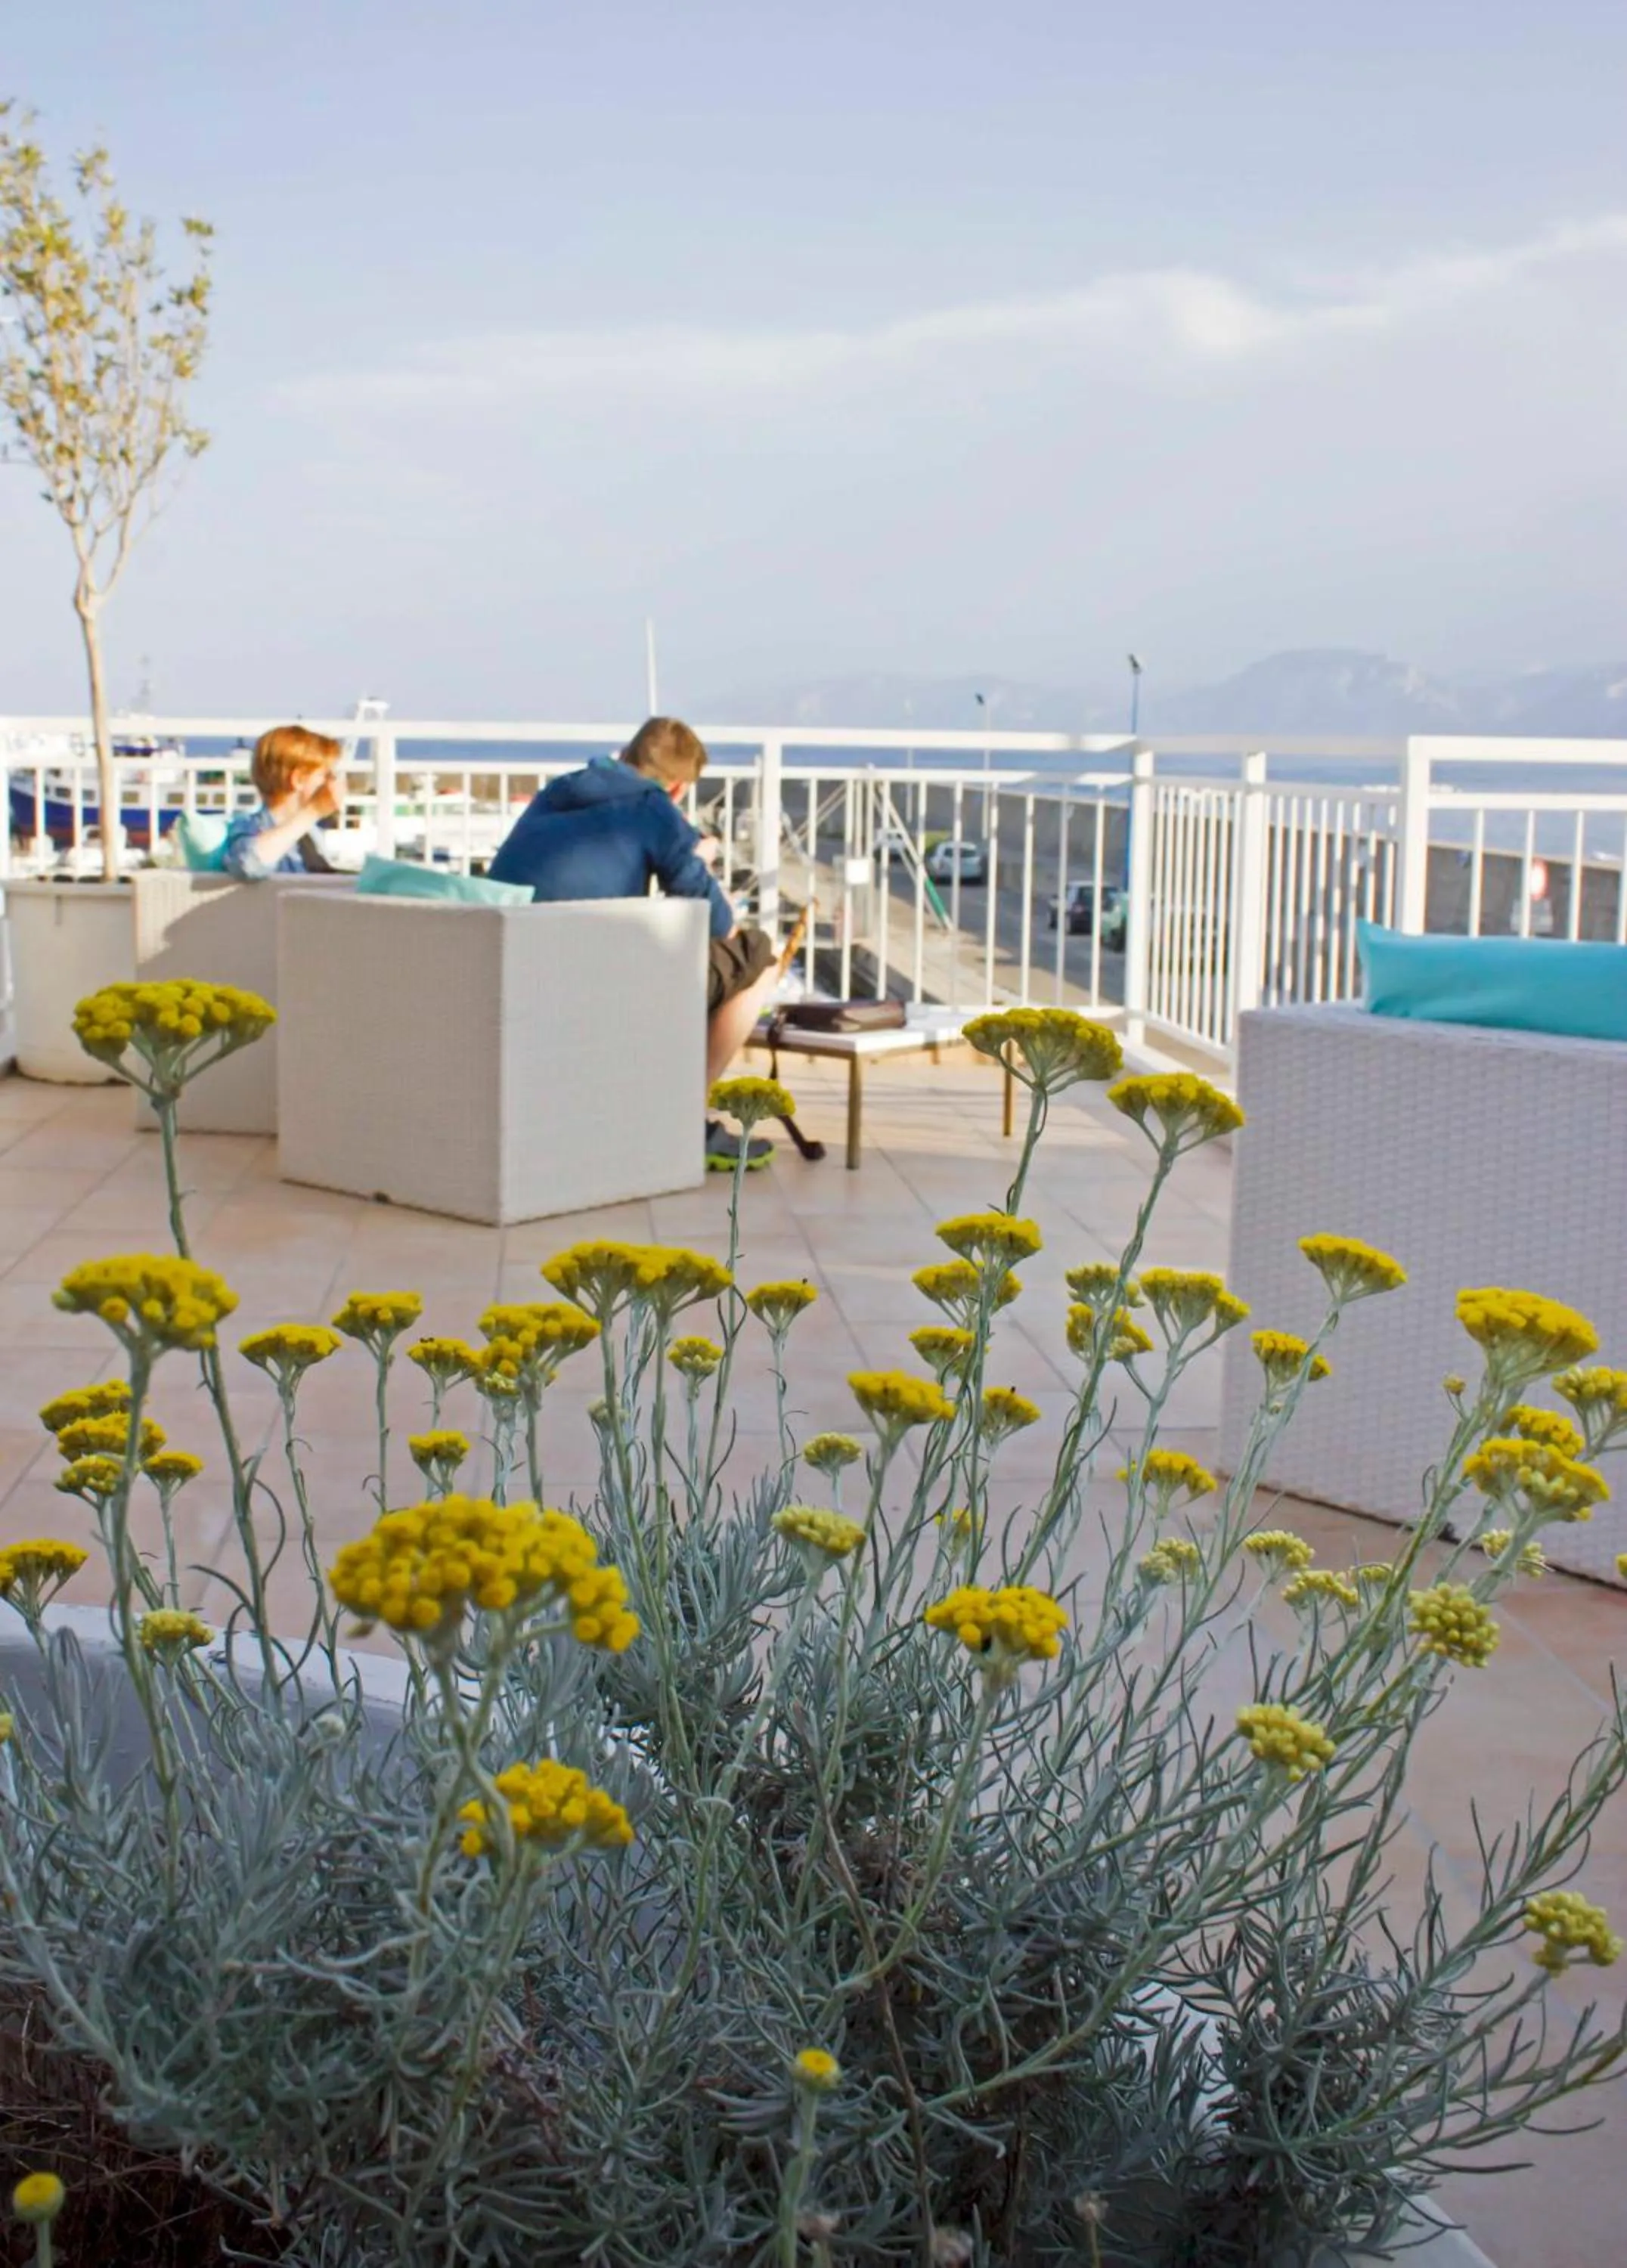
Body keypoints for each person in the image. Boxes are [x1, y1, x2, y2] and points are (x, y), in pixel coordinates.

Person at [488, 717, 782, 1170]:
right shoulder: (653, 809)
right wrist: (698, 859)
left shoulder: (558, 792)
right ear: (678, 789)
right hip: (594, 985)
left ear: (623, 755)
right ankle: (684, 1119)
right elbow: (717, 923)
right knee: (759, 960)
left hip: (517, 974)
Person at [222, 725, 342, 878]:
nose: (331, 782)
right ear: (298, 780)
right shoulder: (251, 826)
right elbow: (248, 863)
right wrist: (314, 811)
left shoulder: (309, 833)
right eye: (325, 775)